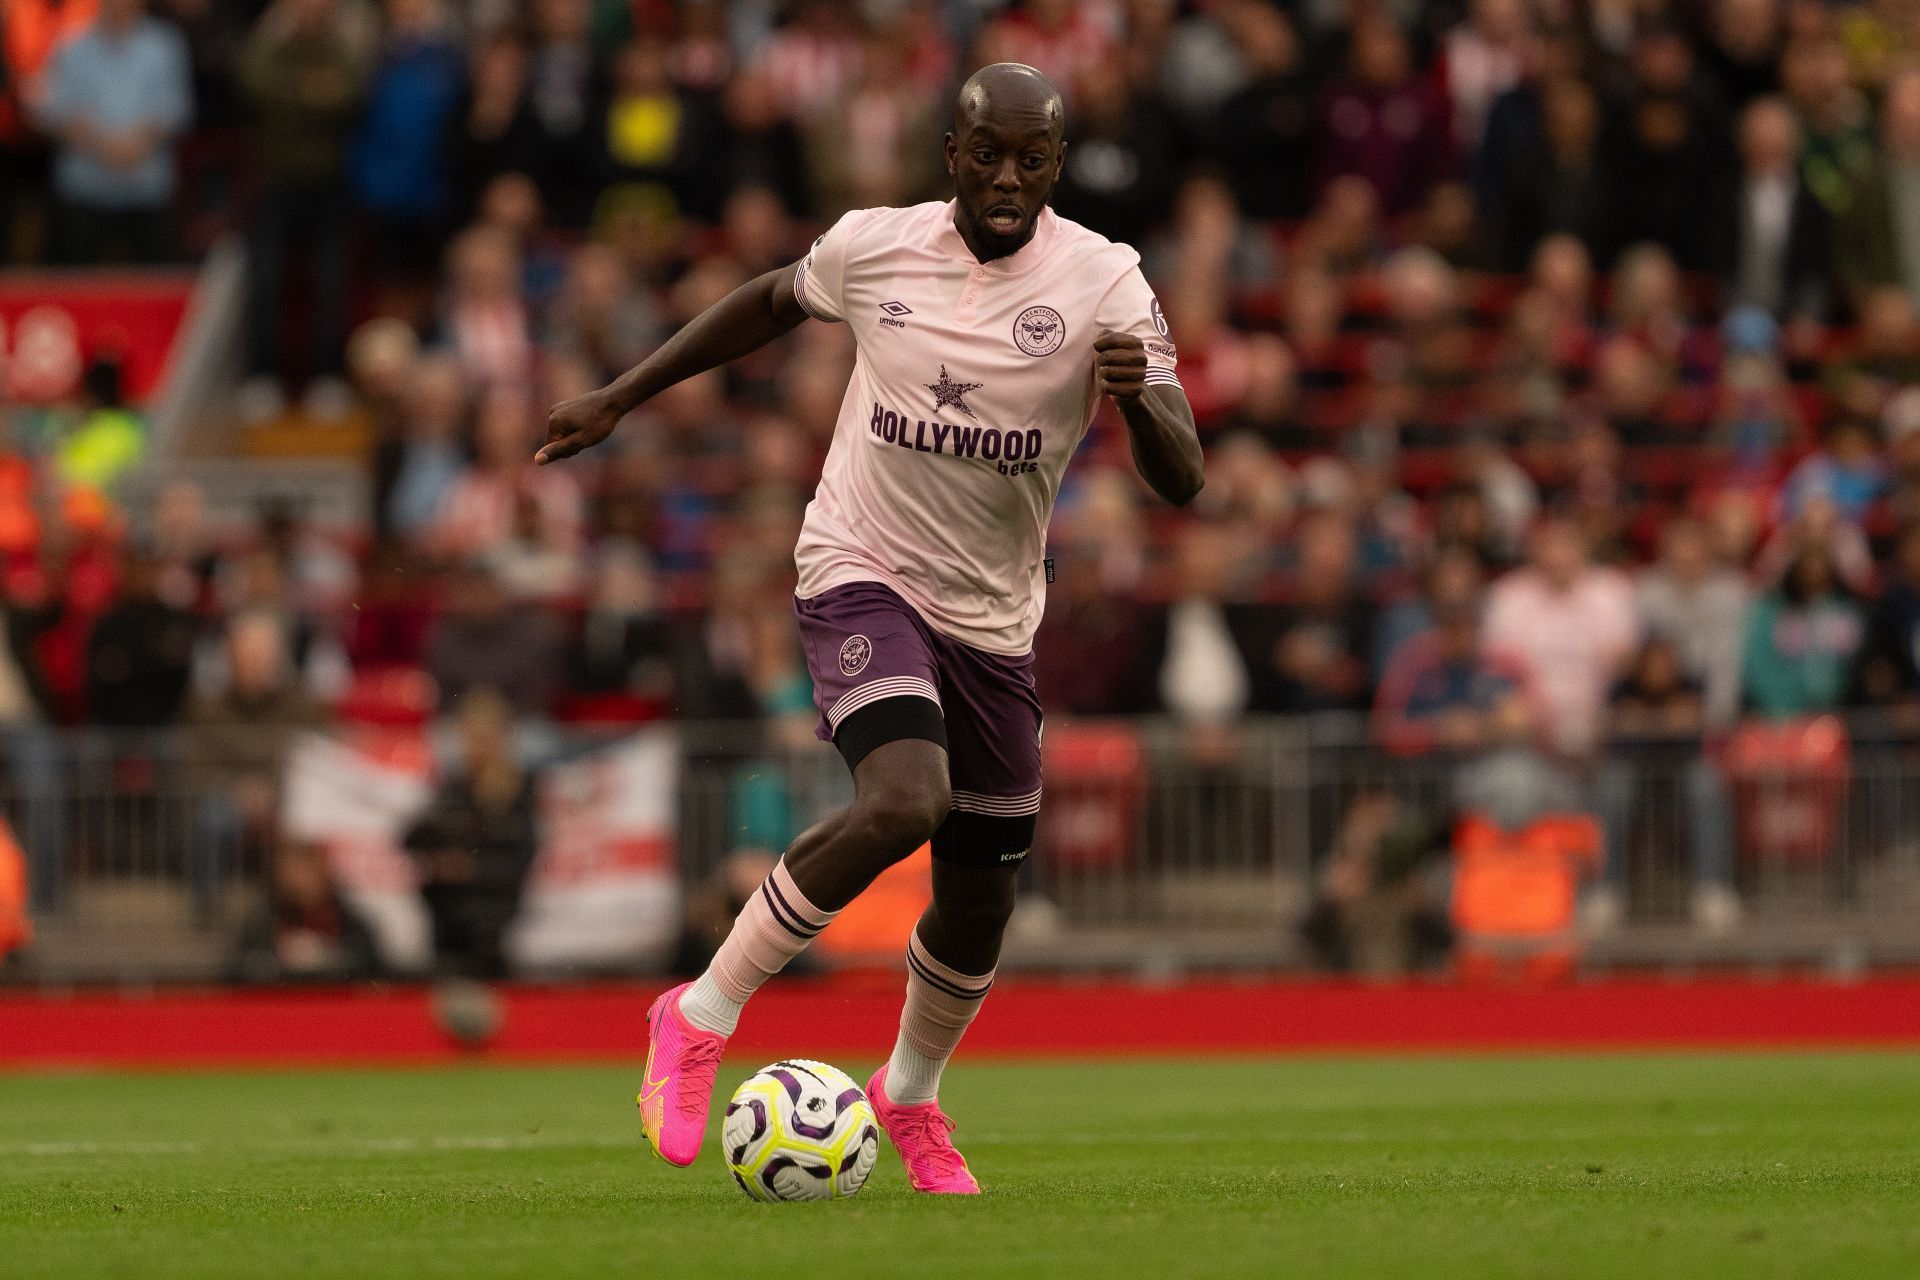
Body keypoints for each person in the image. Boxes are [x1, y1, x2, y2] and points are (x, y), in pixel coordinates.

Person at [538, 63, 1202, 1193]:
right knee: (905, 797)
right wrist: (620, 394)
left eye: (1030, 158)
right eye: (985, 152)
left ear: (1056, 165)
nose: (1006, 177)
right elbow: (763, 301)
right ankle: (698, 1014)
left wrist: (1140, 394)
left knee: (983, 887)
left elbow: (1182, 477)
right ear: (951, 151)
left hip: (993, 617)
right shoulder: (873, 246)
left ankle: (909, 1094)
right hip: (860, 567)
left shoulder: (1106, 282)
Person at [34, 0, 191, 264]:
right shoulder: (71, 46)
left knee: (154, 285)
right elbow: (58, 112)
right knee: (77, 285)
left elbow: (175, 109)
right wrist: (106, 146)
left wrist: (136, 144)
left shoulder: (165, 45)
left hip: (146, 187)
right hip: (84, 189)